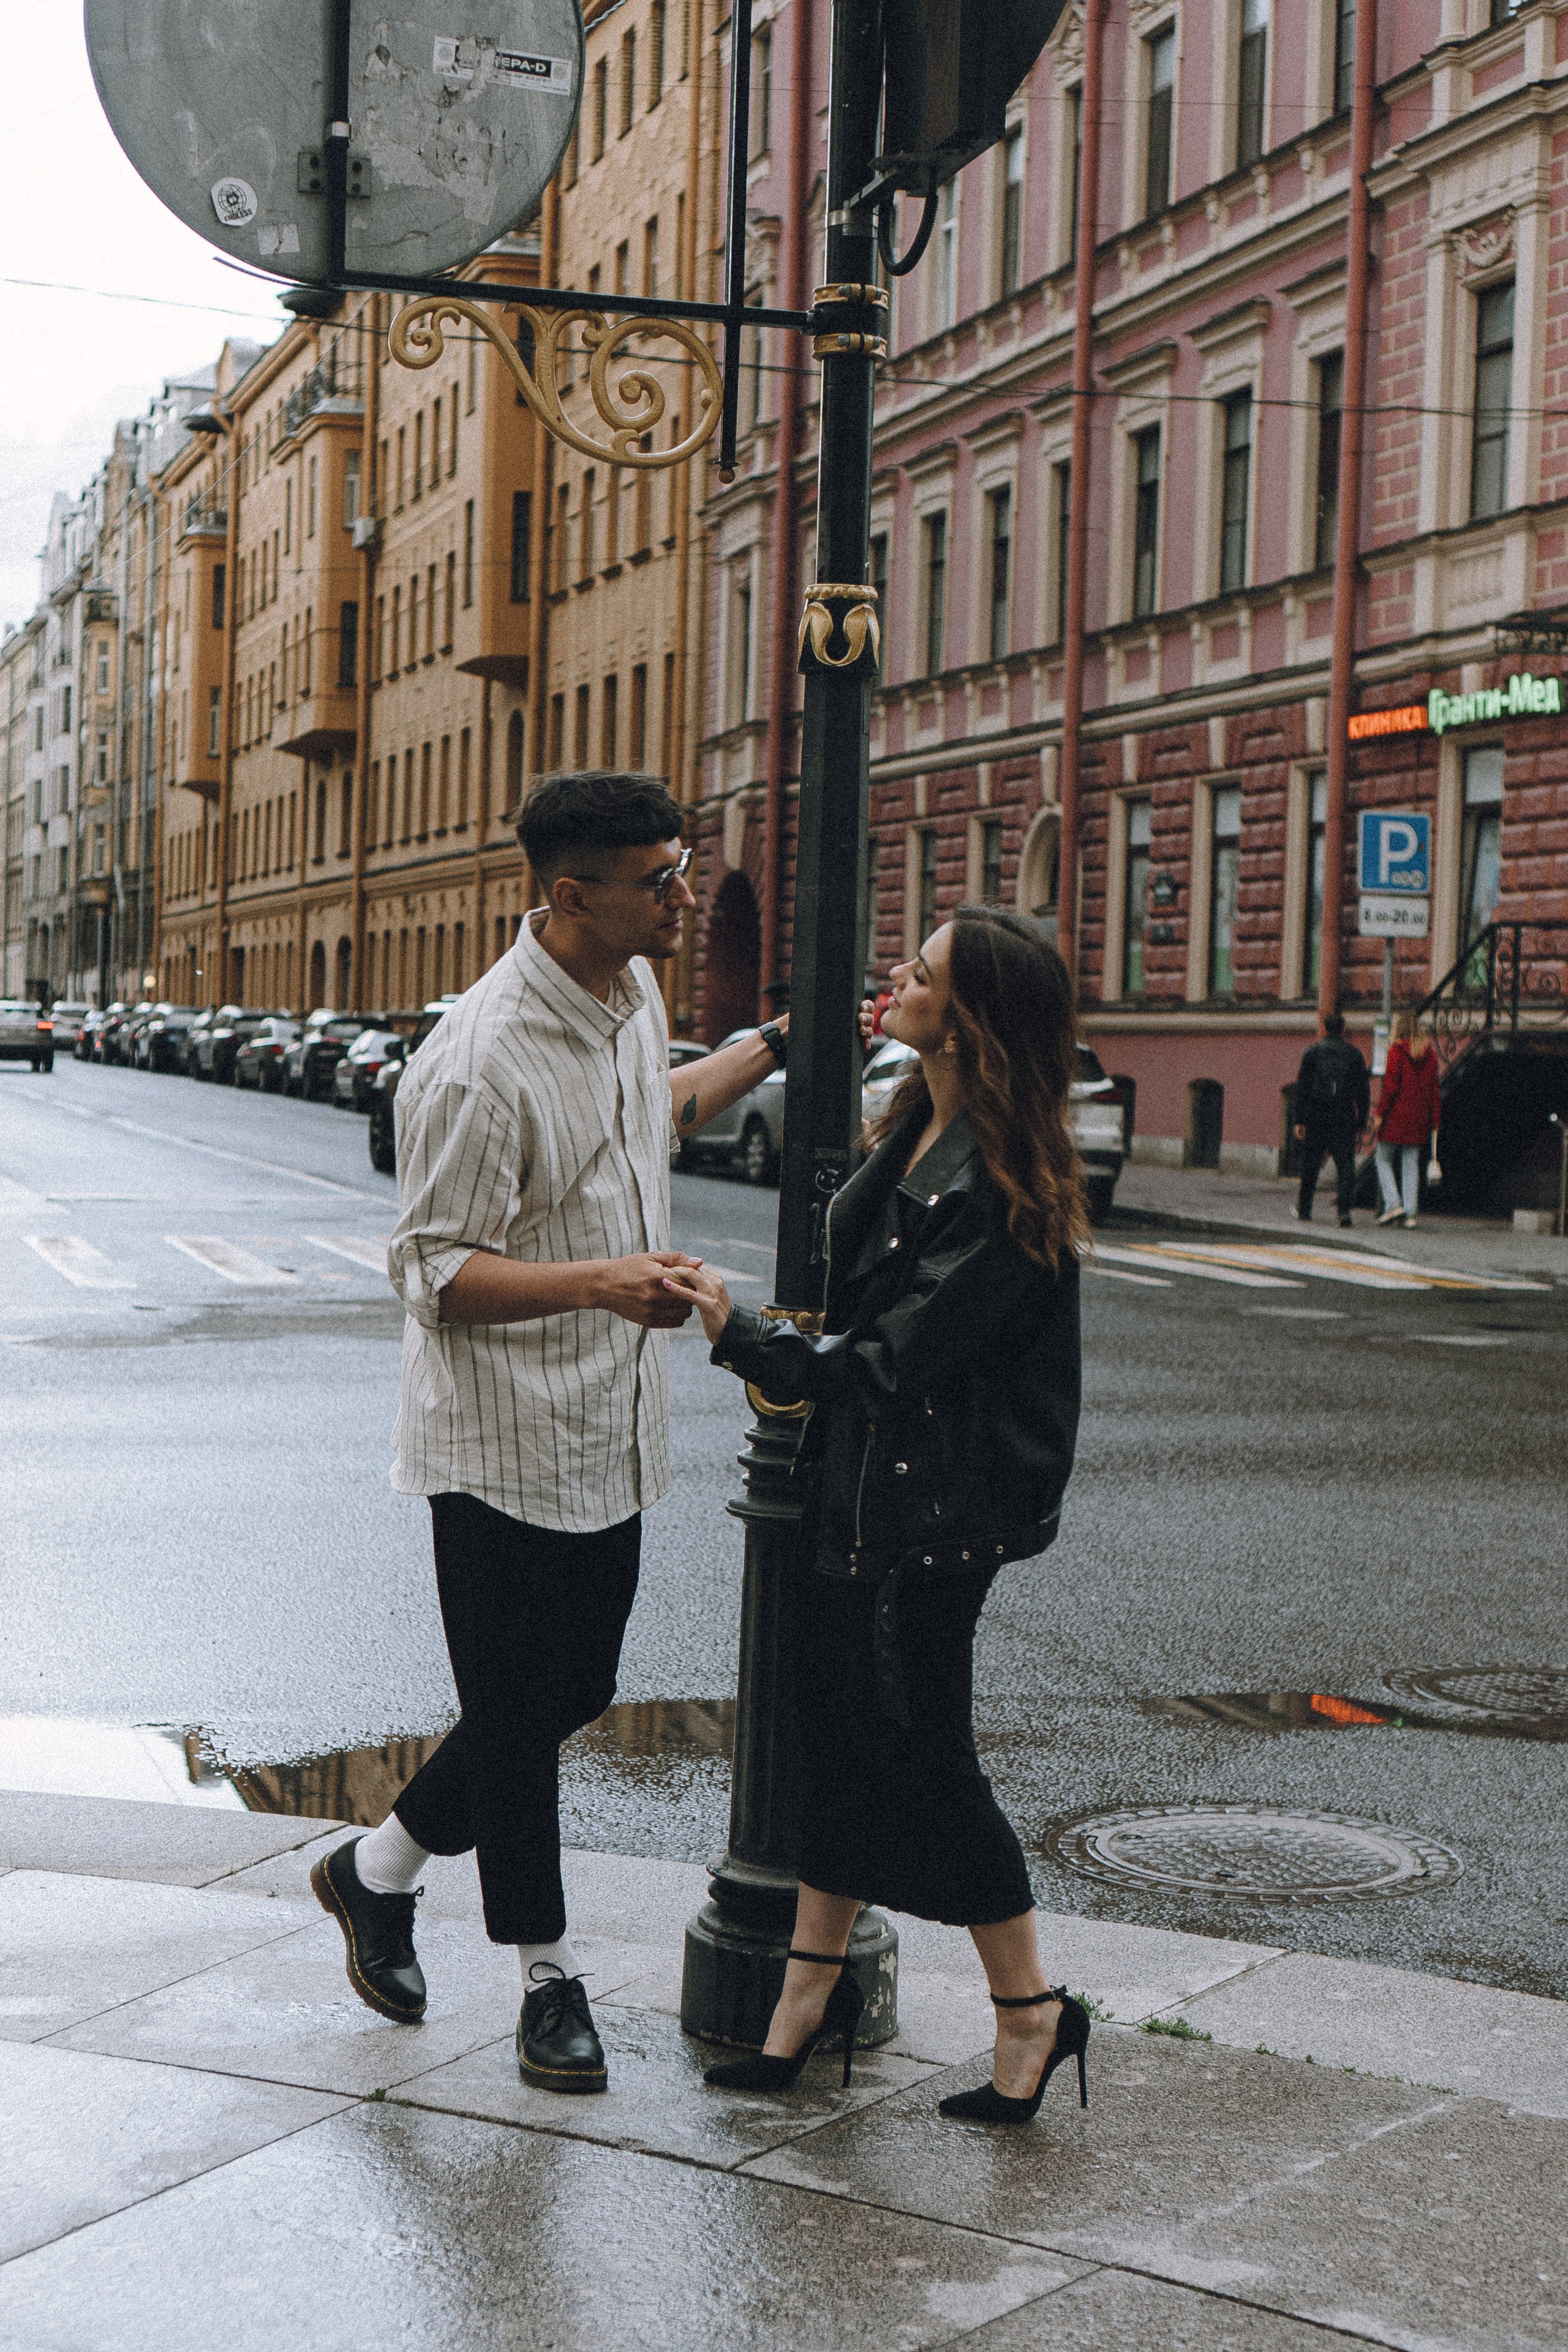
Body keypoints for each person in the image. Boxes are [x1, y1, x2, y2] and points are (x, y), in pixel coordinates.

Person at [311, 772, 795, 2096]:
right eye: (659, 878)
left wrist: (771, 1045)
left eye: (683, 866)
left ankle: (377, 1870)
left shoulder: (625, 995)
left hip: (611, 1423)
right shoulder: (474, 1061)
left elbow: (654, 1114)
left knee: (571, 1689)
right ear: (571, 894)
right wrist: (597, 1283)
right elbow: (428, 1272)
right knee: (516, 1719)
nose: (683, 894)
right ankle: (545, 1978)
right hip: (499, 1439)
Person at [662, 906, 1091, 2128]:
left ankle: (1030, 2012)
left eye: (920, 971)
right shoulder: (914, 1127)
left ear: (965, 1022)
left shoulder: (1012, 1194)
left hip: (926, 1518)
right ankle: (805, 2003)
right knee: (840, 1748)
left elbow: (897, 1355)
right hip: (852, 1491)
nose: (894, 975)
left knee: (928, 1763)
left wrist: (737, 1333)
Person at [1291, 1010, 1370, 1227]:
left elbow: (1303, 1089)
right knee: (1345, 1166)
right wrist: (1362, 1120)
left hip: (1316, 1115)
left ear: (1324, 1028)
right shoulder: (1354, 1055)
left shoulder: (1312, 1053)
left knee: (1311, 1165)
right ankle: (1344, 1212)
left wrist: (1300, 1120)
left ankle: (1305, 1209)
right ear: (1344, 1029)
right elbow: (1363, 1092)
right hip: (1344, 1116)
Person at [1373, 1011, 1441, 1227]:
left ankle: (1393, 1204)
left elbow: (1390, 1087)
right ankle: (1411, 1214)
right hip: (1420, 1117)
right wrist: (1435, 1122)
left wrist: (1380, 1115)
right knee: (1410, 1164)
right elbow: (1434, 1092)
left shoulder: (1396, 1051)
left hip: (1396, 1115)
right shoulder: (1430, 1055)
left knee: (1383, 1159)